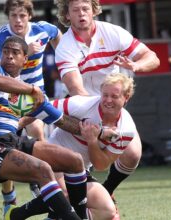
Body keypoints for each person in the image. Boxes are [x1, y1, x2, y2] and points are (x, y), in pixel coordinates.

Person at [0, 36, 97, 219]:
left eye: (15, 53)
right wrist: (32, 89)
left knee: (75, 161)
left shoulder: (32, 97)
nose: (8, 56)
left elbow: (62, 121)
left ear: (25, 59)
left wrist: (98, 132)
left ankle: (16, 215)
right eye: (6, 51)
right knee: (44, 170)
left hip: (14, 142)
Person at [55, 0, 160, 202]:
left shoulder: (113, 32)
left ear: (94, 10)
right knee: (70, 173)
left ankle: (107, 190)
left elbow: (152, 57)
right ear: (66, 15)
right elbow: (76, 88)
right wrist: (96, 123)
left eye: (85, 8)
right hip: (81, 107)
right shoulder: (65, 47)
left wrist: (135, 65)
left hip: (111, 105)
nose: (81, 14)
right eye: (75, 10)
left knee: (133, 154)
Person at [0, 0, 63, 209]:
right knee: (5, 148)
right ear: (8, 17)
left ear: (30, 15)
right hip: (8, 97)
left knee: (38, 130)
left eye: (22, 15)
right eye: (13, 16)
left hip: (35, 98)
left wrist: (63, 60)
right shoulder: (0, 37)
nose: (18, 20)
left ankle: (40, 180)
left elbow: (57, 34)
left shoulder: (42, 30)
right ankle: (8, 196)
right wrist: (25, 52)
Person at [46, 73, 136, 219]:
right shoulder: (81, 104)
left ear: (126, 98)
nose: (108, 100)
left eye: (114, 96)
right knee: (65, 195)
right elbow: (45, 108)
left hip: (78, 171)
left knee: (108, 210)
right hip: (52, 159)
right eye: (105, 95)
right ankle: (18, 213)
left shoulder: (126, 129)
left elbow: (101, 165)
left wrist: (92, 141)